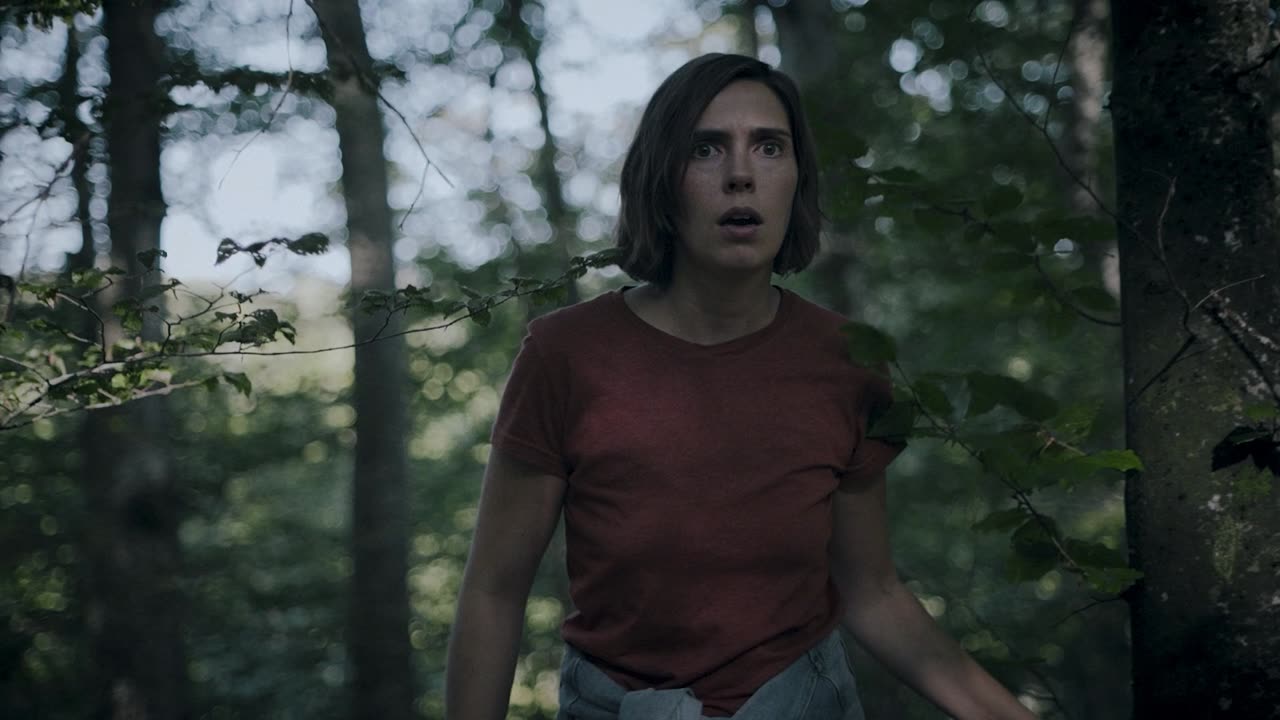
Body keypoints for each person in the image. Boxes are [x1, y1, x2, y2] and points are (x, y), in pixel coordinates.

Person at [444, 53, 1036, 720]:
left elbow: (872, 592)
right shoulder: (567, 355)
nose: (741, 175)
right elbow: (494, 592)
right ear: (660, 178)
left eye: (769, 147)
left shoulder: (848, 362)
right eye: (706, 149)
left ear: (797, 178)